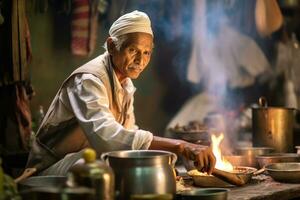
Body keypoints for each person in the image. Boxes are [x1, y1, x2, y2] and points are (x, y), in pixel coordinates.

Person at [25, 10, 216, 176]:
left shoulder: (124, 83)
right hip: (50, 171)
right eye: (133, 50)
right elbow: (107, 137)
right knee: (101, 164)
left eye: (147, 53)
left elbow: (129, 134)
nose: (140, 60)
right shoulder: (88, 80)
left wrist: (161, 161)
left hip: (83, 164)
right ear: (111, 46)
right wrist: (180, 145)